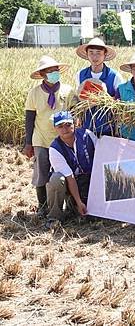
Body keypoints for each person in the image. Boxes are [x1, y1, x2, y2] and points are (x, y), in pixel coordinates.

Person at [23, 56, 76, 218]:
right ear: (42, 74)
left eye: (55, 70)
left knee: (64, 172)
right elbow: (30, 118)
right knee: (42, 172)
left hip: (63, 140)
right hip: (41, 139)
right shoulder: (34, 93)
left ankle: (68, 205)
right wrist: (28, 143)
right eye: (49, 71)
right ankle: (43, 206)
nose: (53, 73)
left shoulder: (68, 91)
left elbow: (75, 114)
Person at [45, 111, 97, 228]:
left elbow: (101, 156)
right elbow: (70, 177)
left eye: (68, 125)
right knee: (57, 179)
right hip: (71, 182)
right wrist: (79, 202)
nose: (65, 129)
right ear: (55, 129)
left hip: (91, 179)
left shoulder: (87, 135)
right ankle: (54, 217)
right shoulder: (55, 149)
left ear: (75, 123)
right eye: (60, 126)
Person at [75, 38, 124, 136]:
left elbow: (120, 101)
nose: (94, 57)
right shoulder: (80, 75)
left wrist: (107, 100)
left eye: (98, 53)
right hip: (86, 126)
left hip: (107, 127)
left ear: (105, 54)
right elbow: (79, 99)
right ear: (87, 54)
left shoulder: (114, 76)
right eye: (91, 53)